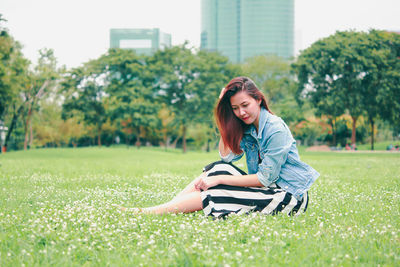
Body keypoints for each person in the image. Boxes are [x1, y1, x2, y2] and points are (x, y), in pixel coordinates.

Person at [120, 77, 319, 218]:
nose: (241, 112)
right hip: (267, 190)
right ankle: (169, 207)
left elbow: (264, 178)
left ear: (258, 99)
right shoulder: (249, 128)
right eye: (234, 108)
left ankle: (149, 213)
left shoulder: (275, 129)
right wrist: (225, 114)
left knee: (217, 190)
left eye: (245, 105)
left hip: (288, 198)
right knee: (215, 168)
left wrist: (221, 180)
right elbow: (226, 158)